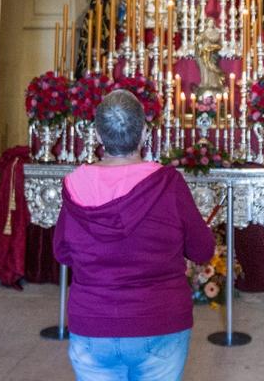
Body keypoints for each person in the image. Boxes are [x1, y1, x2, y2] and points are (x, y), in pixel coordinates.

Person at [53, 89, 214, 381]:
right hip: (160, 320)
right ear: (144, 134)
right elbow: (202, 249)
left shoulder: (76, 185)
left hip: (94, 321)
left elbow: (62, 251)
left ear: (99, 137)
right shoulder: (168, 184)